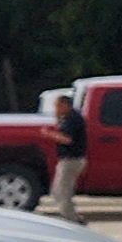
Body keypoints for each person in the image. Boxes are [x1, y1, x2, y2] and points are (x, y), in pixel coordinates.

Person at [44, 89, 88, 223]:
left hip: (71, 160)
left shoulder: (72, 119)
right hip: (70, 159)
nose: (55, 109)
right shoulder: (68, 118)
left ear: (65, 105)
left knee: (63, 190)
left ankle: (71, 218)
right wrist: (57, 117)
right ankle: (69, 213)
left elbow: (67, 139)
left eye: (57, 106)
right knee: (58, 190)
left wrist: (49, 134)